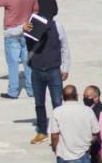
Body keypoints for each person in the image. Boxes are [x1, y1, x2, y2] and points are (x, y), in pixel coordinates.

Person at [0, 0, 38, 100]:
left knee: (13, 64)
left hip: (11, 33)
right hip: (26, 31)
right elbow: (36, 10)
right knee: (28, 62)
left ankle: (13, 92)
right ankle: (32, 90)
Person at [26, 16, 71, 145]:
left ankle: (59, 131)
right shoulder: (31, 24)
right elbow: (12, 33)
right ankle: (42, 131)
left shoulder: (57, 26)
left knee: (57, 102)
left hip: (53, 70)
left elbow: (65, 47)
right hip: (37, 70)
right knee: (39, 102)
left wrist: (65, 68)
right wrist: (22, 29)